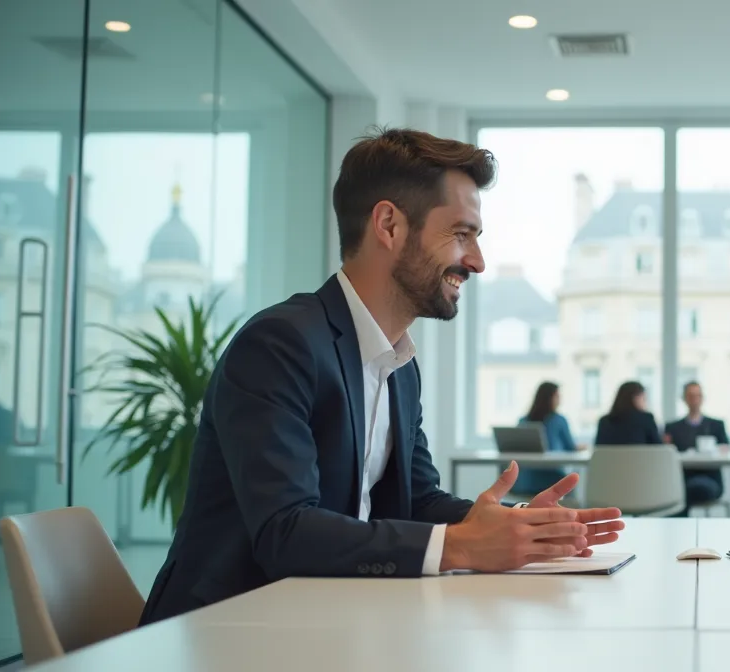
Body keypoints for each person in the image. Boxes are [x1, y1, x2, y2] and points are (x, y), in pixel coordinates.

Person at [139, 129, 624, 625]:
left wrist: (518, 527)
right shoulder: (280, 344)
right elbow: (285, 532)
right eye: (461, 234)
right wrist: (463, 545)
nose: (477, 261)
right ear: (389, 225)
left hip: (326, 621)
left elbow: (415, 502)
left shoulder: (400, 366)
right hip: (224, 633)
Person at [663, 382, 730, 508]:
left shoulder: (716, 425)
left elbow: (726, 448)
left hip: (710, 478)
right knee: (679, 489)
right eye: (690, 396)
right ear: (684, 398)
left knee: (685, 492)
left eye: (697, 395)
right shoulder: (673, 428)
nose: (694, 400)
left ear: (702, 398)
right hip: (683, 477)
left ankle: (681, 525)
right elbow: (668, 451)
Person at [513, 382, 582, 497]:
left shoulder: (523, 421)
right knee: (571, 480)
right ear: (551, 398)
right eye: (558, 396)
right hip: (551, 478)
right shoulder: (559, 420)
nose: (560, 400)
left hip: (524, 480)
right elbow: (570, 447)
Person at [594, 381, 661, 446]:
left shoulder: (604, 421)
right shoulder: (647, 418)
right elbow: (659, 449)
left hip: (611, 458)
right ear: (635, 398)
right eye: (643, 398)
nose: (645, 402)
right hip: (639, 457)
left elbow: (598, 449)